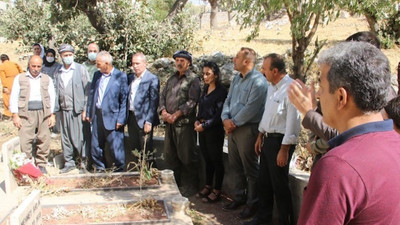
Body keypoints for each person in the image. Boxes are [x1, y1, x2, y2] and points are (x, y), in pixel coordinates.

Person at [297, 42, 400, 224]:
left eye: (321, 85)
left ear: (341, 97)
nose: (318, 94)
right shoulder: (394, 143)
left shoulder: (338, 167)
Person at [245, 54, 301, 225]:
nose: (262, 71)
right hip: (268, 140)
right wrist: (260, 135)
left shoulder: (291, 89)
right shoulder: (272, 86)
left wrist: (284, 150)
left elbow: (293, 123)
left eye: (264, 68)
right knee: (264, 183)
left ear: (275, 71)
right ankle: (263, 219)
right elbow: (268, 114)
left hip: (281, 143)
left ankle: (285, 222)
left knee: (280, 187)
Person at [221, 47, 268, 220]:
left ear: (247, 62)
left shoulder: (258, 82)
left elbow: (252, 108)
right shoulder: (236, 79)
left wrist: (233, 123)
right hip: (232, 128)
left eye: (237, 57)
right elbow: (228, 100)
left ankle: (252, 203)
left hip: (247, 129)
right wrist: (225, 118)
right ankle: (239, 198)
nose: (233, 59)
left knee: (250, 169)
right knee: (235, 165)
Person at [158, 50, 201, 196]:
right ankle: (175, 185)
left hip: (184, 125)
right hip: (169, 124)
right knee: (171, 155)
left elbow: (192, 101)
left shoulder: (193, 79)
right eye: (177, 60)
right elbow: (162, 97)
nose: (179, 62)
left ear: (188, 63)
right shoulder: (171, 79)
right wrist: (164, 112)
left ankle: (191, 186)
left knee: (187, 156)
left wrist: (176, 115)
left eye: (182, 60)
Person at [9, 55, 56, 174]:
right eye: (33, 66)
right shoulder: (20, 78)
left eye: (38, 66)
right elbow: (14, 96)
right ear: (29, 65)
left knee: (44, 138)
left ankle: (41, 163)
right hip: (26, 113)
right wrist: (15, 115)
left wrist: (52, 114)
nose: (35, 68)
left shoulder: (47, 79)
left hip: (43, 112)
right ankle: (27, 163)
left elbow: (52, 97)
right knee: (25, 139)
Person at [86, 51, 128, 172]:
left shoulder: (120, 76)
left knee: (115, 147)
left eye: (99, 63)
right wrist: (90, 112)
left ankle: (119, 170)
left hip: (113, 117)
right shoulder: (97, 75)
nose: (97, 66)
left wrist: (121, 119)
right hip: (97, 115)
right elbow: (92, 94)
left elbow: (124, 100)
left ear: (107, 63)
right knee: (95, 145)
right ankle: (100, 168)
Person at [54, 44, 90, 173]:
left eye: (70, 55)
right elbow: (56, 90)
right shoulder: (58, 72)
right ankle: (69, 162)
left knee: (80, 137)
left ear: (73, 55)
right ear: (61, 57)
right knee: (66, 137)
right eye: (65, 56)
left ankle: (84, 162)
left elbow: (87, 90)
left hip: (77, 111)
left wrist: (85, 109)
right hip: (63, 110)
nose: (68, 57)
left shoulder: (80, 69)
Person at [194, 61, 227, 203]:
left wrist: (205, 126)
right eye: (204, 74)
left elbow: (218, 115)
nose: (205, 77)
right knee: (207, 159)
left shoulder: (221, 92)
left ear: (216, 75)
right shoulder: (205, 89)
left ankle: (217, 190)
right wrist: (197, 120)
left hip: (214, 130)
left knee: (216, 160)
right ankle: (208, 185)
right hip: (202, 129)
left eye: (208, 74)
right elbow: (201, 107)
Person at [126, 53, 160, 169]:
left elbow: (153, 101)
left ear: (145, 64)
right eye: (133, 63)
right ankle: (138, 173)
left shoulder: (152, 79)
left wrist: (149, 121)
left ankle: (150, 174)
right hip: (131, 118)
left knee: (146, 149)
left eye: (137, 63)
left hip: (144, 120)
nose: (135, 66)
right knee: (135, 149)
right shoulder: (130, 78)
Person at [42, 48, 62, 136]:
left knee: (56, 108)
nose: (50, 57)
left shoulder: (58, 66)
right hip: (44, 90)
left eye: (51, 56)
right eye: (48, 56)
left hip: (56, 89)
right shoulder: (42, 67)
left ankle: (56, 129)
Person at [0, 54, 23, 119]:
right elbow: (21, 71)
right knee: (17, 96)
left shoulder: (2, 66)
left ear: (2, 60)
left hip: (8, 82)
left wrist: (5, 86)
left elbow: (3, 77)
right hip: (17, 80)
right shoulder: (14, 63)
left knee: (7, 97)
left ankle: (8, 114)